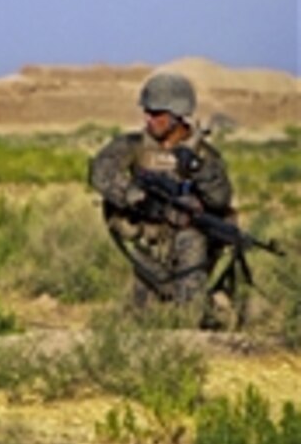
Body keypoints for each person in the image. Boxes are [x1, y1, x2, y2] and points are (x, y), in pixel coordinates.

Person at [89, 71, 234, 324]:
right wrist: (133, 196)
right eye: (146, 111)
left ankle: (201, 317)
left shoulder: (204, 154)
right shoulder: (133, 145)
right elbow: (101, 171)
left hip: (190, 239)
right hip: (148, 240)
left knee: (187, 311)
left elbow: (220, 199)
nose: (148, 118)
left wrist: (199, 170)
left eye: (156, 113)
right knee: (143, 318)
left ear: (177, 116)